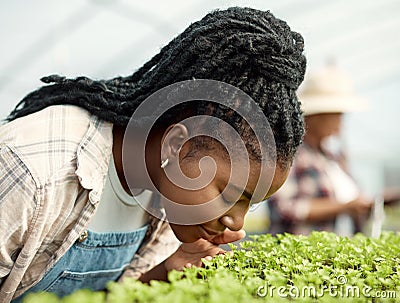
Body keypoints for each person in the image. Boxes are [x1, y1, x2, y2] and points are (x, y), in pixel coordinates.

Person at [0, 7, 306, 302]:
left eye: (249, 205)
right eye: (230, 195)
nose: (236, 225)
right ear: (176, 145)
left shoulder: (171, 199)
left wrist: (163, 272)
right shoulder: (34, 170)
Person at [268, 63, 373, 236]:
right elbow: (285, 208)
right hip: (299, 255)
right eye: (337, 114)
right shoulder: (289, 155)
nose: (341, 121)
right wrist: (345, 206)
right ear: (316, 116)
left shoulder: (332, 157)